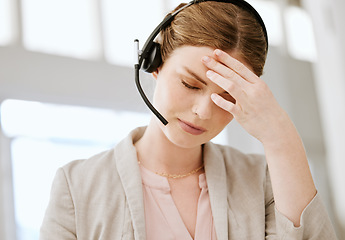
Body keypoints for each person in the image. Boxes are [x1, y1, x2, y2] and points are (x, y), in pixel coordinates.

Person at [40, 1, 338, 239]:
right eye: (190, 84)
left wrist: (280, 135)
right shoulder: (77, 187)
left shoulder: (262, 180)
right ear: (154, 63)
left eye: (228, 96)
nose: (203, 112)